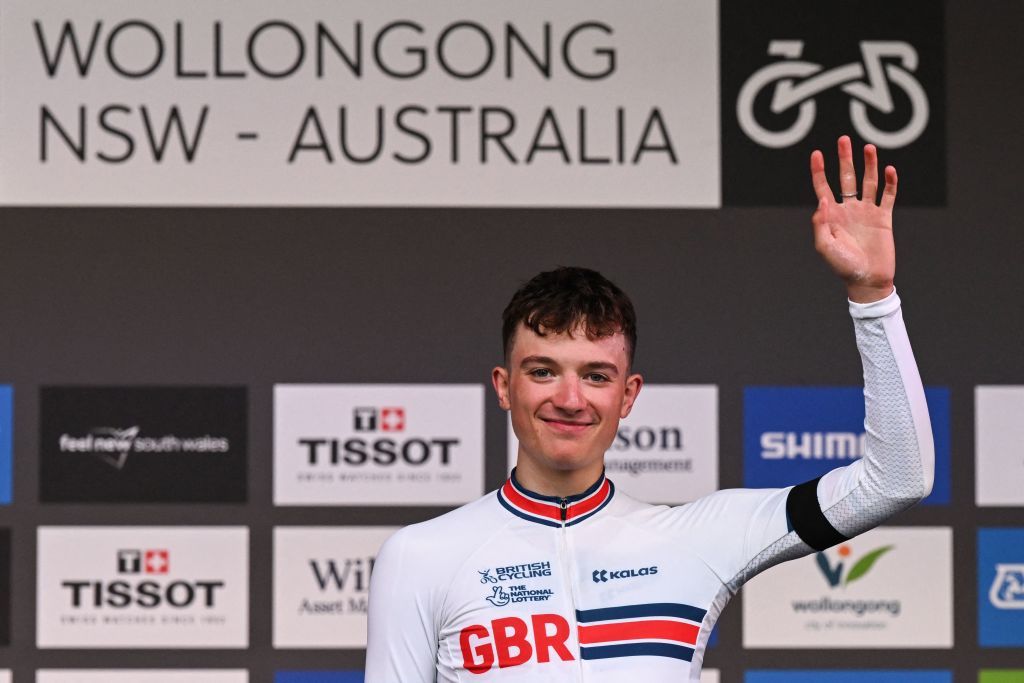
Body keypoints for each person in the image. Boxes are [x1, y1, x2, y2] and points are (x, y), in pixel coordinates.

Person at [365, 135, 933, 682]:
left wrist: (874, 296)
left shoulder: (696, 538)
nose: (569, 399)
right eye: (543, 372)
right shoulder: (421, 557)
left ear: (628, 395)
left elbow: (897, 480)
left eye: (596, 376)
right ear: (504, 386)